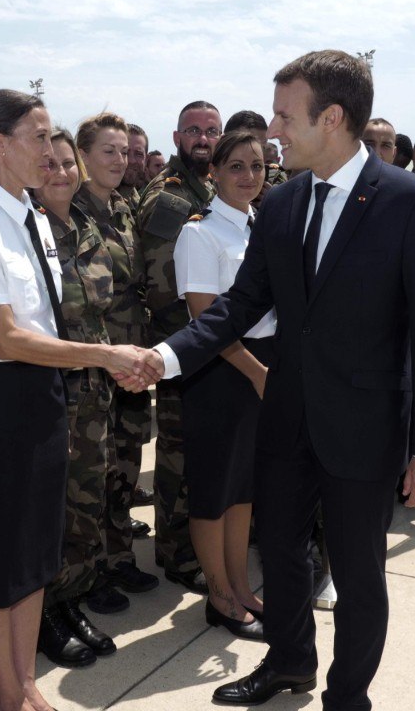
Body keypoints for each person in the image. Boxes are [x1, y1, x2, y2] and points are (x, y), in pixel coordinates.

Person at [135, 49, 415, 709]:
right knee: (281, 553)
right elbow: (238, 306)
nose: (274, 130)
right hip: (284, 419)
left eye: (285, 115)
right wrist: (163, 360)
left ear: (332, 118)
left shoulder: (410, 203)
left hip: (364, 430)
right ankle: (289, 665)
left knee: (359, 574)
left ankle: (347, 696)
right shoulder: (282, 206)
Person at [0, 89, 151, 711]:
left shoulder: (32, 218)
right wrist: (106, 355)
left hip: (41, 394)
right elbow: (5, 337)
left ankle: (26, 683)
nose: (51, 150)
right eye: (38, 137)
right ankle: (5, 695)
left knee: (35, 554)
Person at [173, 130, 273, 641]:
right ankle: (218, 595)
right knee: (214, 489)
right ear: (213, 172)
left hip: (265, 364)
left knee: (244, 489)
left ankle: (240, 585)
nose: (248, 176)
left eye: (257, 166)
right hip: (223, 370)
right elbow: (204, 319)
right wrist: (258, 373)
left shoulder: (262, 226)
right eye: (236, 166)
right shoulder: (201, 232)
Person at [29, 127, 121, 667]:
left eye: (68, 164)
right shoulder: (28, 230)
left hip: (95, 389)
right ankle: (44, 614)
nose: (61, 173)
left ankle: (72, 600)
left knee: (86, 503)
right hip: (52, 391)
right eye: (50, 164)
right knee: (52, 511)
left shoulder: (88, 225)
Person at [71, 112, 160, 616]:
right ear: (83, 155)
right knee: (92, 470)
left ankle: (119, 553)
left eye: (125, 152)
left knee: (126, 460)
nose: (119, 160)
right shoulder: (68, 212)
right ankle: (87, 572)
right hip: (93, 361)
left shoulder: (125, 207)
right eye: (108, 151)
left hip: (132, 360)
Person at [137, 100, 222, 595]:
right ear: (176, 138)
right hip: (179, 343)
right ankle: (175, 551)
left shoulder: (206, 187)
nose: (204, 138)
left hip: (204, 340)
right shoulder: (170, 198)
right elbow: (163, 282)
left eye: (211, 130)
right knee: (177, 453)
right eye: (194, 130)